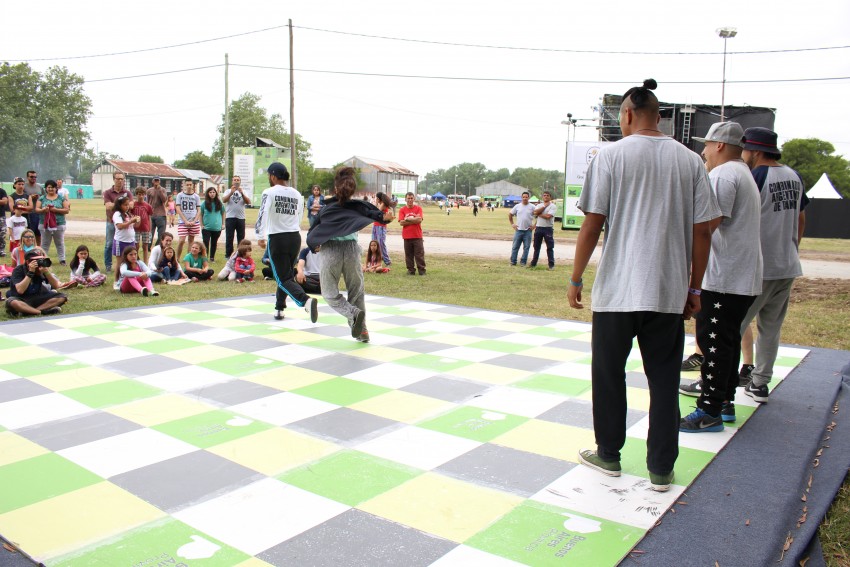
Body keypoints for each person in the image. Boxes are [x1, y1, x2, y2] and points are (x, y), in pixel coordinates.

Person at [567, 79, 718, 492]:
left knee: (609, 374)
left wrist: (576, 276)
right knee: (665, 380)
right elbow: (703, 231)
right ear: (660, 115)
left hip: (617, 289)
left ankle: (609, 454)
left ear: (628, 113)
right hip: (667, 291)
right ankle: (661, 469)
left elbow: (592, 222)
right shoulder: (689, 161)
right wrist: (695, 288)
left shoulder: (611, 156)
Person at [678, 122, 764, 431]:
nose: (702, 151)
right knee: (727, 340)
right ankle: (724, 402)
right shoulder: (743, 174)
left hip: (725, 278)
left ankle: (709, 410)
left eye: (706, 145)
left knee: (713, 343)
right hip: (741, 277)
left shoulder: (724, 175)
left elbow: (708, 225)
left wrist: (689, 267)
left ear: (718, 145)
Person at [738, 127, 810, 404]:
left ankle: (721, 383)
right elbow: (801, 218)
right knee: (771, 327)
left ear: (754, 151)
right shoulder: (793, 175)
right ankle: (760, 383)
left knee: (734, 325)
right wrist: (791, 247)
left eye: (744, 149)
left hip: (760, 267)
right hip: (787, 264)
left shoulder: (755, 176)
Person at [306, 167, 391, 342]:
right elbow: (381, 215)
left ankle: (353, 314)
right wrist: (384, 214)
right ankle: (362, 331)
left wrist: (314, 246)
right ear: (352, 190)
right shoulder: (359, 206)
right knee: (356, 291)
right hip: (352, 250)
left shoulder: (326, 209)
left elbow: (313, 232)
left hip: (331, 250)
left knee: (329, 294)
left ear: (335, 189)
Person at [255, 162, 318, 322]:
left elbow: (262, 214)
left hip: (277, 238)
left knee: (282, 278)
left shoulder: (269, 192)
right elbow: (299, 215)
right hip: (294, 237)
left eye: (269, 175)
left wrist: (260, 236)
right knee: (286, 274)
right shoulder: (297, 194)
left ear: (273, 176)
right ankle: (279, 307)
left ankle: (306, 301)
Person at [6, 247, 67, 316]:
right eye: (36, 260)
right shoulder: (19, 270)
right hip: (22, 298)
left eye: (40, 260)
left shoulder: (41, 269)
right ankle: (41, 312)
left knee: (62, 297)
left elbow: (55, 286)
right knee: (12, 302)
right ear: (28, 262)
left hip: (37, 297)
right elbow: (20, 290)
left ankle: (31, 311)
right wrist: (30, 273)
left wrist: (46, 272)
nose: (39, 263)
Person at [35, 180, 70, 266]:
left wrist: (55, 210)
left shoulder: (61, 198)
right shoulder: (42, 198)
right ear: (46, 188)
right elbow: (37, 209)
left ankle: (62, 259)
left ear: (56, 188)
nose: (50, 189)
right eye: (48, 187)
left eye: (52, 187)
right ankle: (43, 259)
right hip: (44, 224)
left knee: (60, 242)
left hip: (59, 223)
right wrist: (43, 210)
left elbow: (66, 210)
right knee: (45, 243)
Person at [103, 172, 133, 271]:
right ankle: (108, 265)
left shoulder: (127, 192)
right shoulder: (108, 192)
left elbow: (131, 205)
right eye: (118, 179)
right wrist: (121, 204)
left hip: (124, 221)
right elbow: (107, 206)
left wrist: (115, 205)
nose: (120, 181)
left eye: (122, 179)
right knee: (109, 244)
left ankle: (124, 265)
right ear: (113, 179)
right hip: (111, 221)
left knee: (125, 243)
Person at [222, 175, 252, 259]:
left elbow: (248, 202)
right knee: (229, 237)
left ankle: (240, 254)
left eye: (238, 180)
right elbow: (224, 200)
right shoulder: (228, 191)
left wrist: (242, 193)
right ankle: (228, 255)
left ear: (240, 182)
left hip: (241, 218)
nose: (236, 181)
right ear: (232, 181)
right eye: (234, 180)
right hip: (230, 217)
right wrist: (231, 192)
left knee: (241, 238)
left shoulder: (244, 191)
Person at [398, 192, 426, 275]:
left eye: (411, 198)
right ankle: (411, 270)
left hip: (417, 235)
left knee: (419, 254)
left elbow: (419, 220)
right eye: (408, 198)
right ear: (405, 199)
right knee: (408, 255)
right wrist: (414, 219)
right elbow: (401, 223)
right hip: (407, 236)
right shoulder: (402, 210)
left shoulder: (418, 209)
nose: (410, 200)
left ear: (414, 199)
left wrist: (407, 219)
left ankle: (421, 270)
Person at [529, 190, 557, 270]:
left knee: (549, 247)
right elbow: (535, 212)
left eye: (547, 195)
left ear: (550, 197)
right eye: (544, 195)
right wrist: (544, 207)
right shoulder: (539, 205)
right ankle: (533, 263)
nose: (546, 197)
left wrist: (539, 214)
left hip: (548, 228)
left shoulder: (553, 206)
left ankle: (551, 265)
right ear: (542, 197)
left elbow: (548, 216)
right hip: (539, 228)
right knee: (536, 247)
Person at [508, 191, 535, 267]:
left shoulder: (532, 207)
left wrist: (534, 226)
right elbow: (510, 214)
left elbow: (538, 216)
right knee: (515, 247)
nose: (525, 198)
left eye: (526, 197)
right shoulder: (517, 206)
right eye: (523, 197)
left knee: (526, 247)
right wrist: (512, 224)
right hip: (518, 230)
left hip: (528, 231)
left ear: (528, 198)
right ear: (521, 197)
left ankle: (523, 262)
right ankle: (513, 261)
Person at [176, 180, 201, 259]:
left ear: (193, 185)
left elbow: (199, 209)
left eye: (190, 185)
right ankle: (177, 258)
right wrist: (185, 220)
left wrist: (194, 221)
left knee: (191, 240)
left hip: (193, 221)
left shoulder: (196, 196)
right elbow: (178, 208)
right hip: (183, 221)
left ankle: (188, 258)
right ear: (184, 185)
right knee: (181, 240)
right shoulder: (180, 195)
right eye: (187, 185)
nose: (189, 186)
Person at [201, 186, 225, 262]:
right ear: (208, 193)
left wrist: (223, 224)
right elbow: (200, 214)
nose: (212, 194)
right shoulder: (204, 203)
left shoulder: (219, 203)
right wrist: (201, 225)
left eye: (214, 192)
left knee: (214, 243)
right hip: (206, 228)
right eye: (210, 192)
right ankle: (205, 258)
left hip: (217, 227)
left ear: (216, 193)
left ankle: (212, 258)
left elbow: (223, 213)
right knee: (206, 242)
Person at [112, 195, 140, 261]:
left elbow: (135, 226)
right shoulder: (117, 214)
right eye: (125, 205)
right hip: (121, 241)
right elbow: (119, 226)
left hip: (130, 240)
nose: (127, 206)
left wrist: (137, 221)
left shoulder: (127, 214)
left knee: (131, 261)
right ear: (119, 205)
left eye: (128, 204)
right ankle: (118, 272)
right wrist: (131, 221)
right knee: (120, 261)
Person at [370, 192, 394, 268]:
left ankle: (387, 261)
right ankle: (375, 260)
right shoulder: (380, 204)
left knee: (381, 244)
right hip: (375, 225)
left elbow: (376, 212)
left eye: (377, 198)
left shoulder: (383, 204)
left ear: (379, 198)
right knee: (374, 243)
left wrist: (376, 203)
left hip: (381, 226)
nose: (376, 199)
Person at [132, 187, 154, 264]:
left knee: (145, 246)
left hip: (145, 228)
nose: (140, 196)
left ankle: (145, 262)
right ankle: (136, 262)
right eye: (139, 194)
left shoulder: (148, 206)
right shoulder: (133, 205)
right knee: (136, 246)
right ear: (136, 195)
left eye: (142, 194)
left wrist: (150, 229)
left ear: (145, 195)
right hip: (136, 228)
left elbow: (149, 217)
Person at [146, 177, 168, 246]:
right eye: (155, 180)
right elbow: (147, 202)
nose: (156, 182)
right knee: (150, 232)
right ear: (152, 181)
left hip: (161, 214)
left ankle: (158, 246)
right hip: (151, 214)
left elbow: (164, 200)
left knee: (161, 233)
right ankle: (148, 247)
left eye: (157, 180)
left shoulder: (163, 190)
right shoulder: (149, 190)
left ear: (159, 181)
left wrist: (159, 190)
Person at [23, 171, 43, 246]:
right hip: (29, 213)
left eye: (35, 177)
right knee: (30, 232)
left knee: (39, 232)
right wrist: (30, 197)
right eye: (31, 176)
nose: (33, 178)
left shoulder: (39, 187)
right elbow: (22, 197)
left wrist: (39, 197)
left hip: (39, 212)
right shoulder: (24, 186)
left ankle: (38, 247)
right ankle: (29, 247)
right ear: (27, 177)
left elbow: (44, 197)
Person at [0, 180, 7, 256]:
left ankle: (1, 250)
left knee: (2, 234)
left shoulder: (2, 191)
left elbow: (5, 201)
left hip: (1, 216)